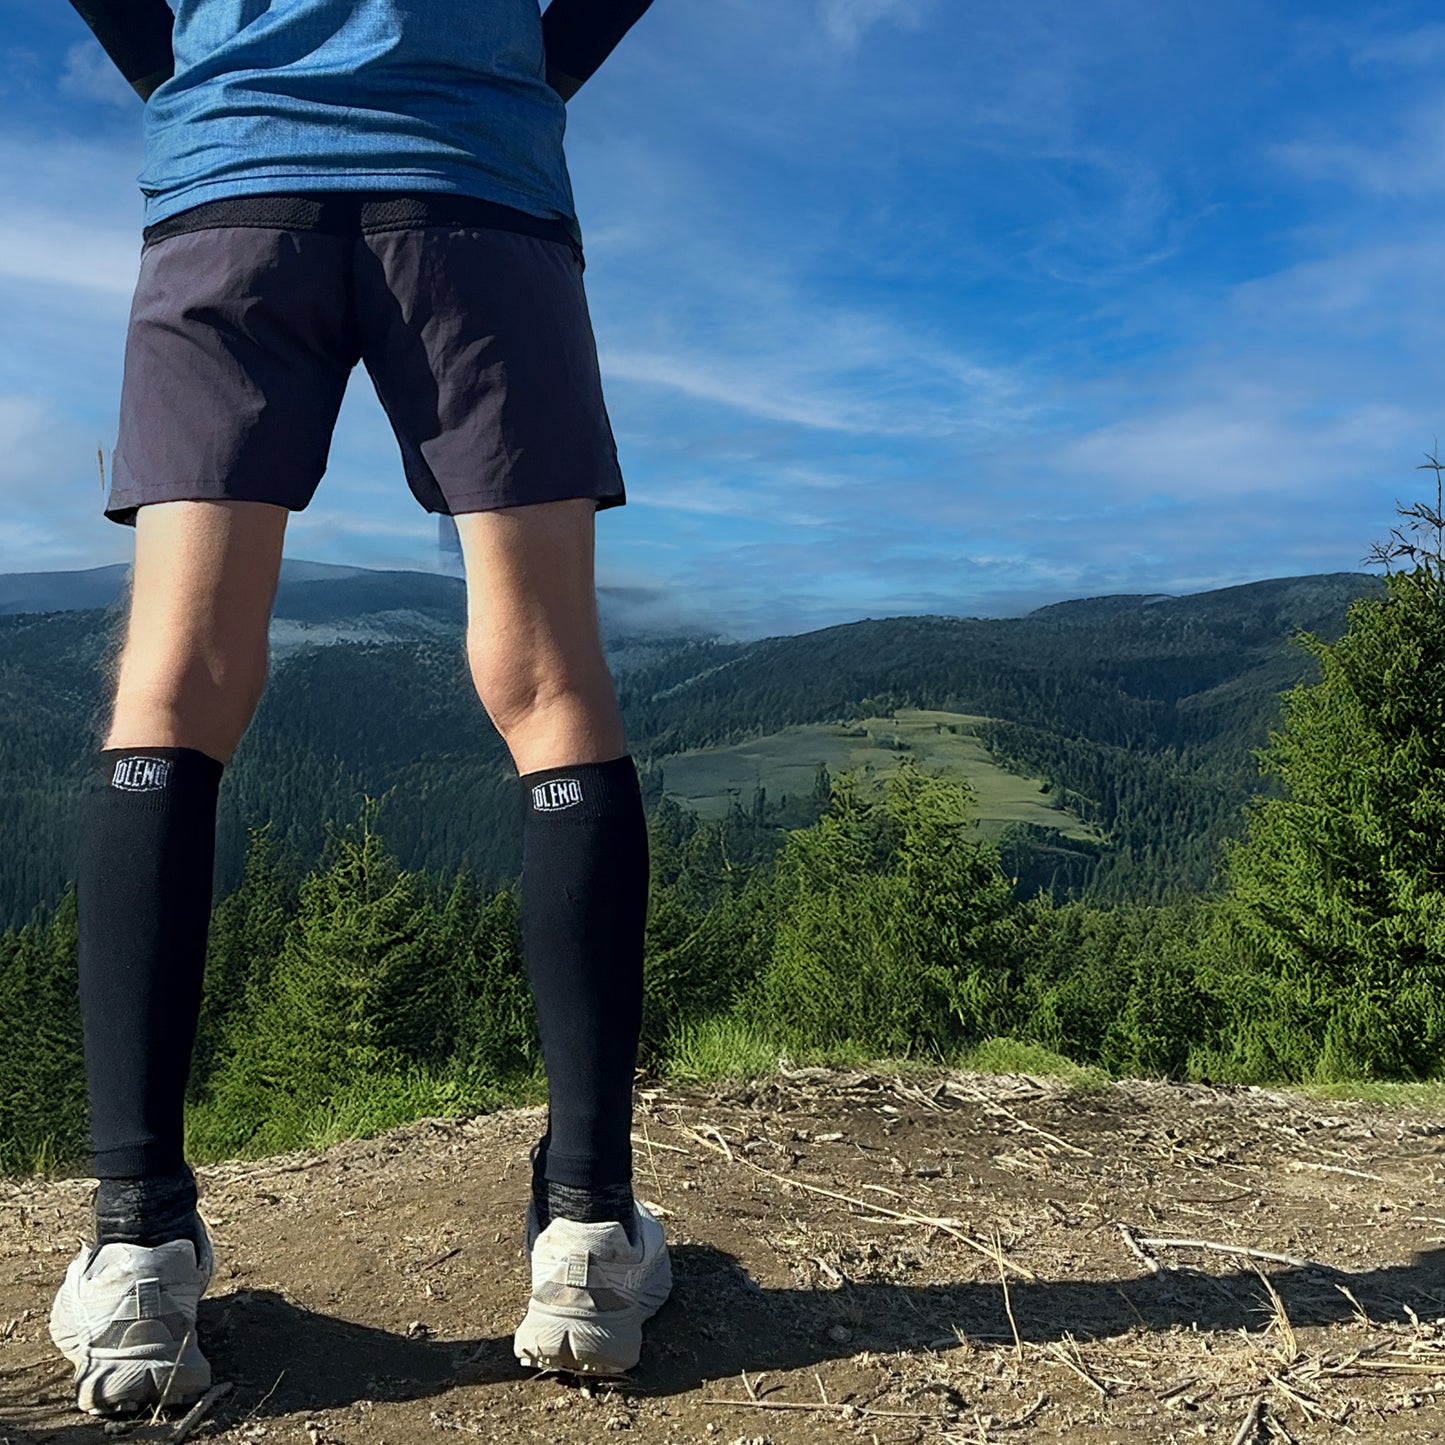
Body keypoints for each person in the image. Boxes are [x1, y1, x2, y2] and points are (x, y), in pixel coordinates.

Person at [47, 0, 667, 1418]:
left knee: (174, 678)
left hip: (231, 178)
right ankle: (584, 1226)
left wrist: (197, 66)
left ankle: (138, 1244)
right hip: (478, 182)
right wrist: (526, 63)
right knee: (551, 675)